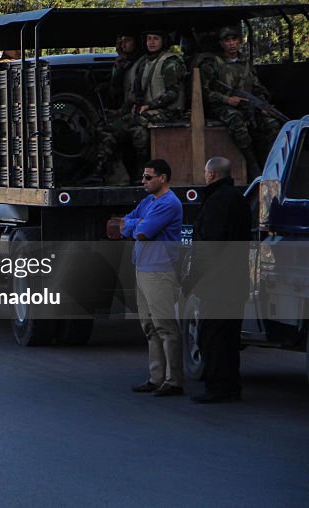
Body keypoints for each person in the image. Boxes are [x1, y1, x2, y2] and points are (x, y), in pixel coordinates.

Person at [189, 157, 252, 403]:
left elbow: (209, 244)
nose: (204, 176)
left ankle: (218, 387)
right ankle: (231, 385)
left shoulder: (216, 202)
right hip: (236, 279)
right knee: (229, 335)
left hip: (216, 282)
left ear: (212, 174)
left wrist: (195, 277)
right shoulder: (239, 199)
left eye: (205, 172)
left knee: (211, 335)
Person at [124, 158, 185, 397]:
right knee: (149, 325)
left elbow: (142, 232)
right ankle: (156, 376)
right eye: (143, 176)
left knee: (165, 325)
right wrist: (133, 224)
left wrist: (133, 225)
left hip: (159, 271)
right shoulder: (149, 201)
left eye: (148, 177)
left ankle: (174, 380)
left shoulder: (169, 203)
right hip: (143, 268)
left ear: (163, 178)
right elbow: (126, 222)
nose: (143, 181)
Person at [96, 30, 187, 182]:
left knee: (135, 126)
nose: (151, 42)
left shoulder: (170, 62)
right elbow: (136, 92)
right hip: (149, 111)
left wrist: (149, 106)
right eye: (149, 39)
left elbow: (172, 94)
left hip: (170, 112)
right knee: (112, 128)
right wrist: (127, 109)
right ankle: (102, 172)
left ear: (163, 41)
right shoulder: (145, 62)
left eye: (155, 39)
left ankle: (142, 171)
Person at [193, 26, 280, 178]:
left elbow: (257, 88)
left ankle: (271, 165)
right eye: (227, 41)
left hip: (249, 104)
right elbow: (204, 93)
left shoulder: (245, 63)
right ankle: (252, 165)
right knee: (237, 121)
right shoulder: (212, 64)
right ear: (221, 44)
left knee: (272, 124)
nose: (232, 44)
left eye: (234, 40)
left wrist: (263, 105)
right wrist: (227, 99)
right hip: (222, 106)